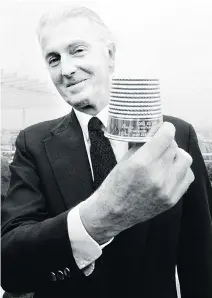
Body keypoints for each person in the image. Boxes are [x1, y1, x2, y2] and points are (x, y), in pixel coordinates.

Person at [1, 6, 212, 298]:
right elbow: (10, 264)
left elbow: (200, 256)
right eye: (53, 59)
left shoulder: (177, 135)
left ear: (110, 55)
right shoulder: (33, 143)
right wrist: (96, 219)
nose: (66, 69)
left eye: (77, 50)